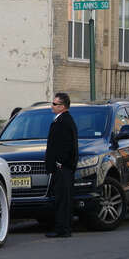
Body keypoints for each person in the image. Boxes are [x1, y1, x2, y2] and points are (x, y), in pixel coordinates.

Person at [45, 93, 78, 238]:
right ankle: (62, 227)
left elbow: (66, 144)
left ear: (62, 106)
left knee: (63, 198)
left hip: (63, 167)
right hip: (61, 166)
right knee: (60, 197)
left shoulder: (64, 121)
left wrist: (60, 162)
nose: (52, 106)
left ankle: (63, 229)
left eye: (54, 104)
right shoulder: (60, 120)